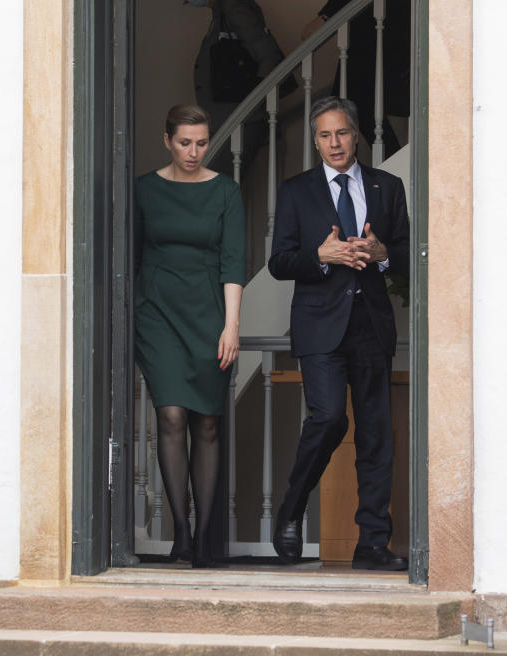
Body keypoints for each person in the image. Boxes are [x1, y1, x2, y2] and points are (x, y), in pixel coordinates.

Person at [267, 96, 409, 570]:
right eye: (324, 135)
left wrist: (382, 250)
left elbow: (409, 254)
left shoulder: (387, 186)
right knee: (328, 419)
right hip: (319, 325)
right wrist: (321, 257)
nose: (334, 143)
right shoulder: (295, 191)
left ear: (356, 134)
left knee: (376, 435)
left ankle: (372, 543)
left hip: (371, 325)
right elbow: (279, 261)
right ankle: (290, 509)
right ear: (315, 141)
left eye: (342, 133)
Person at [134, 104, 247, 568]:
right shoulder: (144, 190)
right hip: (158, 312)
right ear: (167, 140)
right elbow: (131, 256)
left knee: (207, 421)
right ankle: (180, 531)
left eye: (201, 143)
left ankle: (203, 535)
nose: (193, 152)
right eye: (185, 142)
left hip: (209, 315)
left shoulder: (225, 192)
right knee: (172, 416)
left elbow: (233, 261)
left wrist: (231, 326)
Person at [190, 0, 293, 175]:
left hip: (241, 119)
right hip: (227, 121)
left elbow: (268, 56)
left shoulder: (233, 5)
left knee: (209, 190)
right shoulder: (220, 14)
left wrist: (253, 104)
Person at [301, 0, 411, 160]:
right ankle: (392, 163)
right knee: (346, 106)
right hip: (375, 35)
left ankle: (391, 163)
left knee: (344, 106)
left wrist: (326, 15)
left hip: (385, 32)